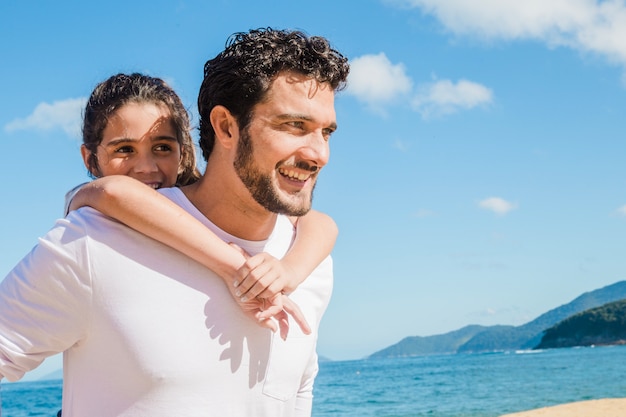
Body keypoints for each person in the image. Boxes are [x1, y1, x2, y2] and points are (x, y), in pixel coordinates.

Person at [0, 27, 349, 416]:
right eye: (293, 125)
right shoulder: (95, 242)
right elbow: (113, 192)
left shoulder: (308, 260)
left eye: (327, 132)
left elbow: (296, 396)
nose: (319, 153)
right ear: (226, 127)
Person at [68, 72, 338, 328]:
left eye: (162, 148)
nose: (146, 167)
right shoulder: (91, 223)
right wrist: (235, 268)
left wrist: (289, 272)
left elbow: (320, 223)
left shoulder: (202, 207)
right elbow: (116, 191)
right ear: (89, 158)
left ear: (183, 152)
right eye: (125, 150)